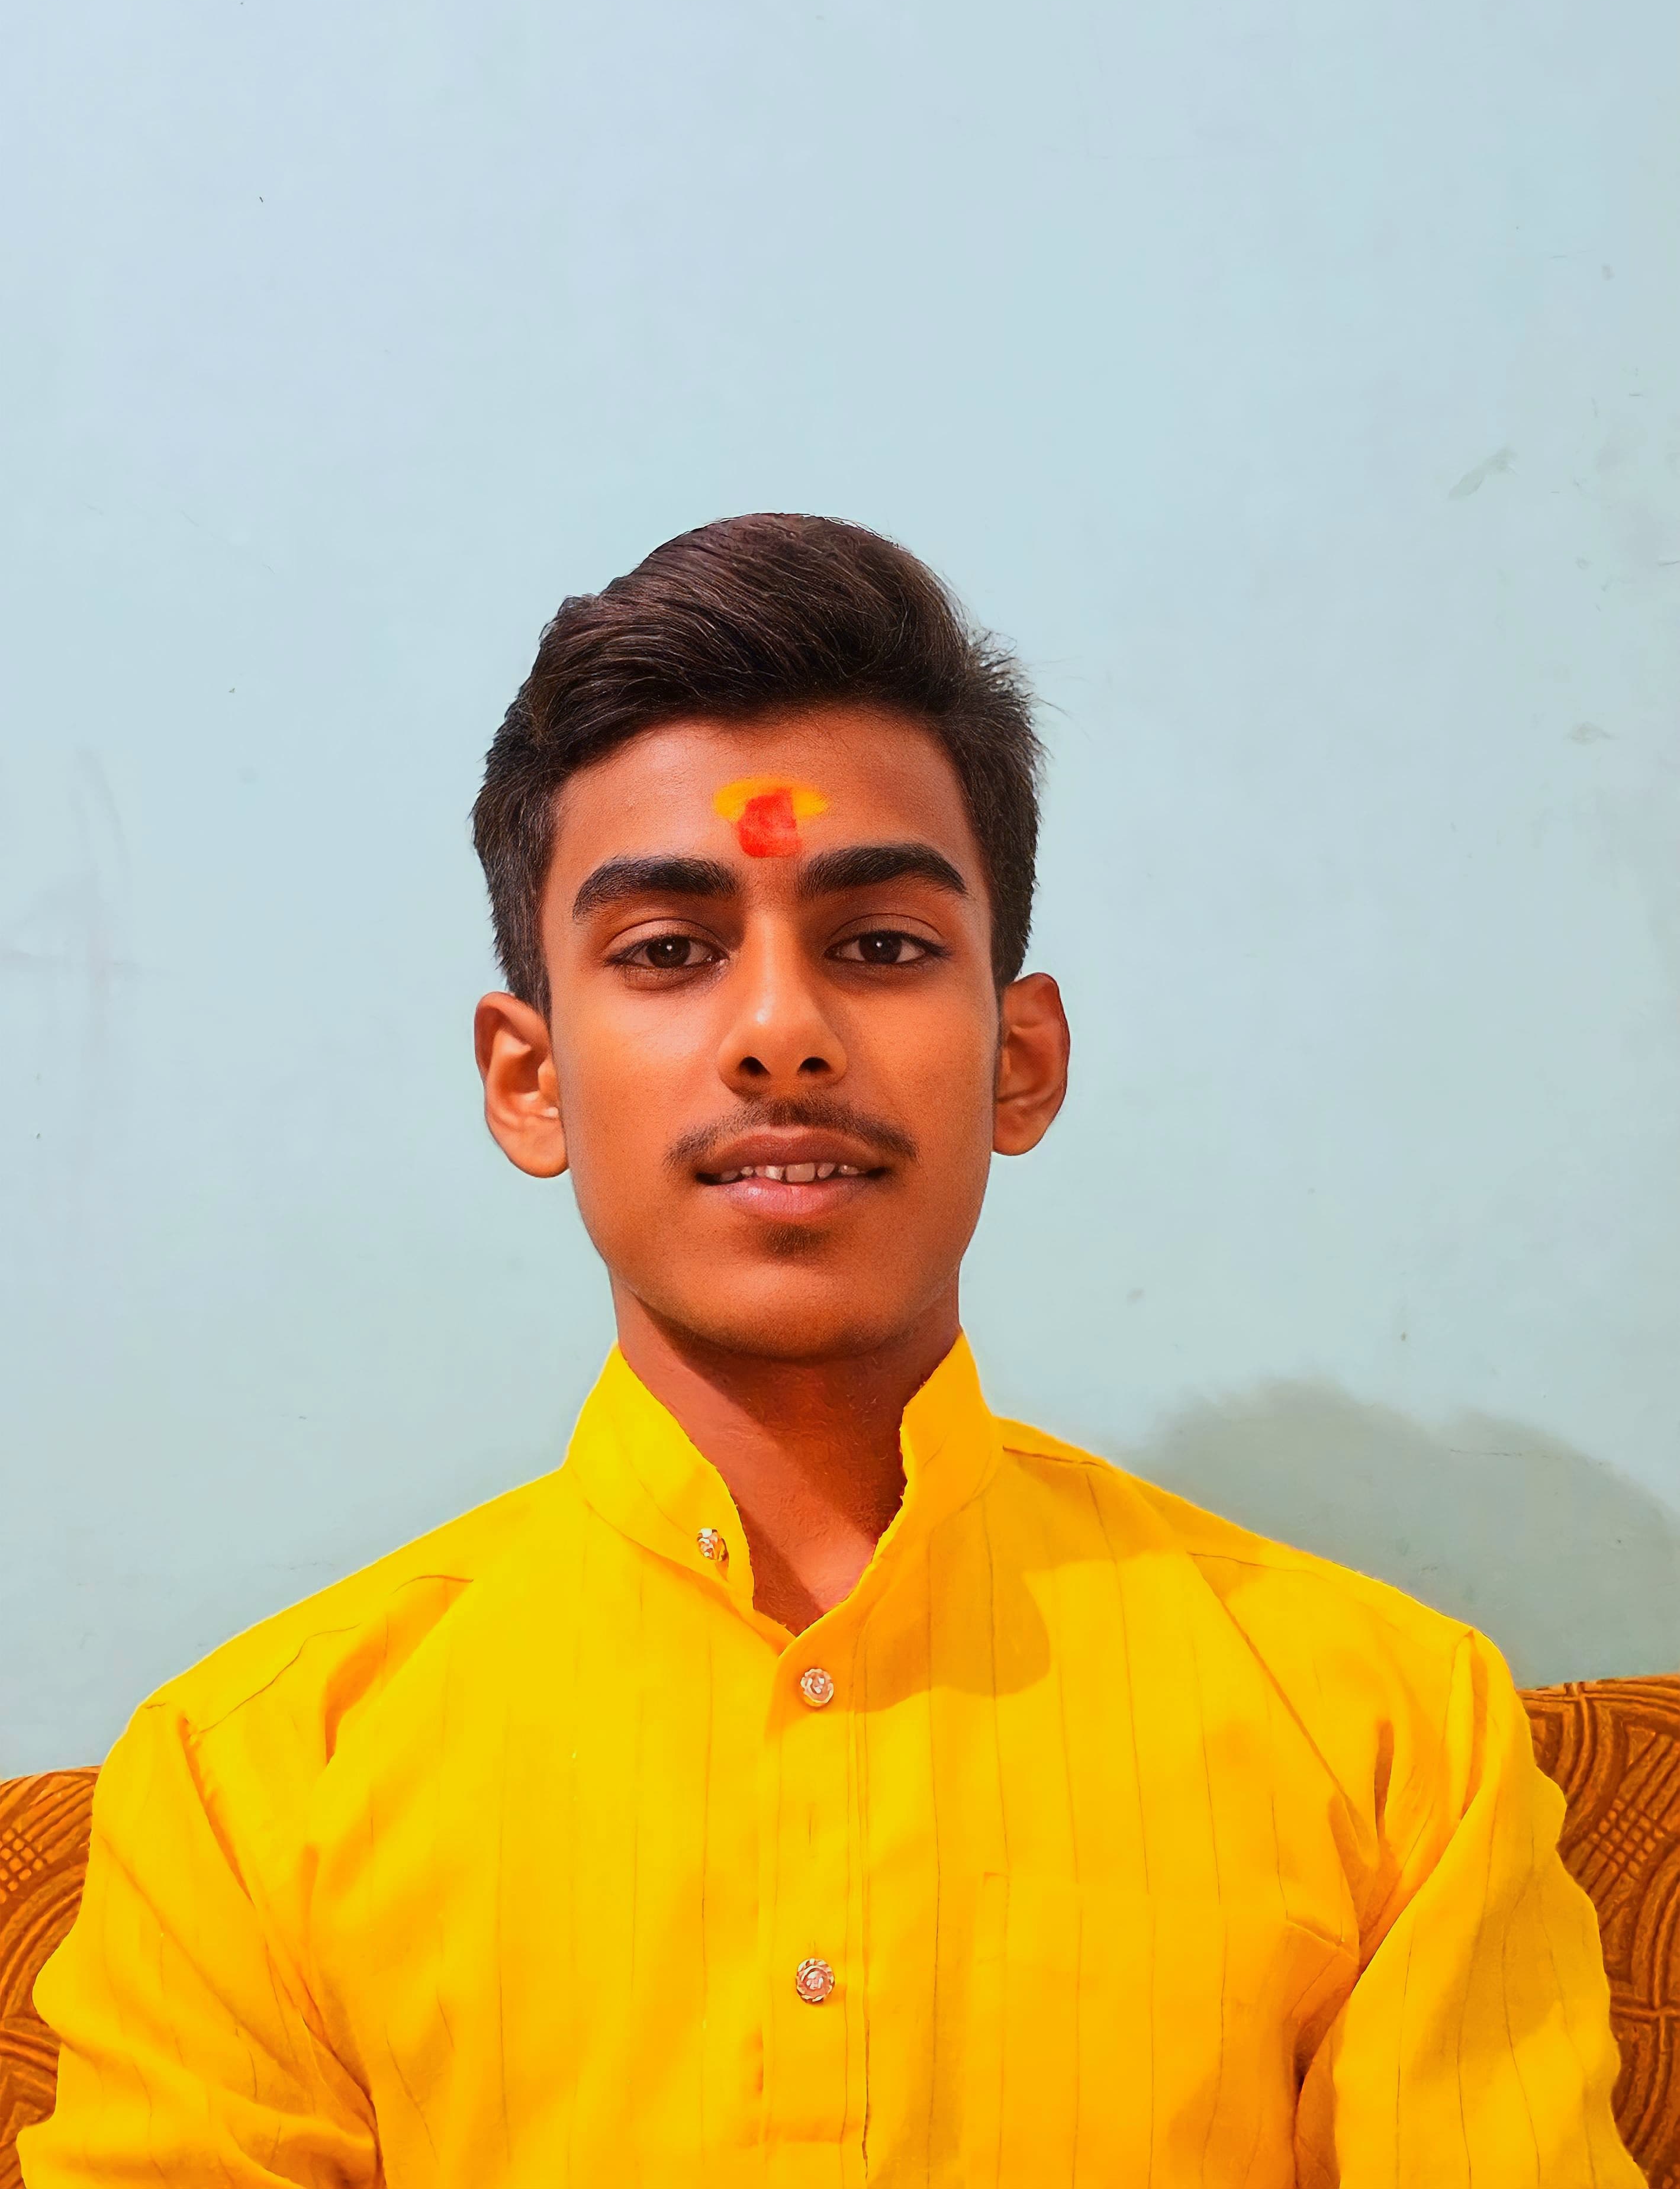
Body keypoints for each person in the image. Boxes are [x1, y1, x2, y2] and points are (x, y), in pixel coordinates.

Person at [24, 514, 1636, 2187]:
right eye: (668, 952)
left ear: (1019, 1061)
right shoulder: (254, 1782)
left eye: (879, 946)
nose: (782, 1032)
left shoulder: (1391, 1738)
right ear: (531, 1079)